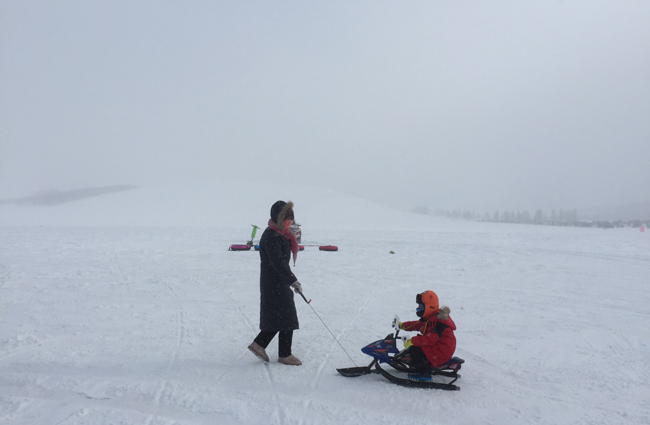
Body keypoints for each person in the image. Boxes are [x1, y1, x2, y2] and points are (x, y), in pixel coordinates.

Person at [248, 200, 303, 366]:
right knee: (286, 316)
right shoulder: (272, 236)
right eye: (287, 218)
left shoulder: (281, 234)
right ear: (278, 218)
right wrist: (293, 280)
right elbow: (278, 263)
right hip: (273, 283)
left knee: (281, 317)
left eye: (291, 218)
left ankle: (260, 345)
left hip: (278, 282)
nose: (290, 221)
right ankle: (284, 354)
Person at [394, 290, 457, 382]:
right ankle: (425, 367)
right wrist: (402, 325)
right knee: (416, 347)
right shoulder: (431, 318)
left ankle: (424, 373)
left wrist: (412, 341)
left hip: (442, 351)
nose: (418, 308)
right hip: (439, 347)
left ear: (428, 307)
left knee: (415, 350)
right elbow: (418, 325)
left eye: (420, 306)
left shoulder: (437, 321)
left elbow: (430, 339)